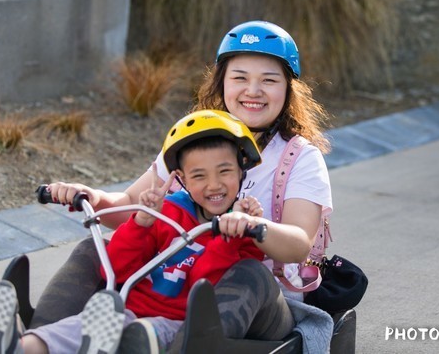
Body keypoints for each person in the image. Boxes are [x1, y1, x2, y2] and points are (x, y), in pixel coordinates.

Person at [36, 20, 334, 350]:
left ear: (288, 89)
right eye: (240, 78)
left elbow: (299, 243)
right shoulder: (195, 143)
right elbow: (131, 207)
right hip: (176, 285)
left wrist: (253, 226)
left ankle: (167, 346)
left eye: (269, 80)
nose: (253, 90)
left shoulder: (299, 157)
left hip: (264, 300)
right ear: (222, 83)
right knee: (94, 250)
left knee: (249, 273)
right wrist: (92, 196)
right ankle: (35, 341)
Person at [0, 110, 268, 354]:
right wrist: (141, 222)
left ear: (242, 171)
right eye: (199, 176)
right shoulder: (166, 212)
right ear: (182, 180)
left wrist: (229, 238)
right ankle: (15, 347)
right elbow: (115, 269)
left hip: (176, 324)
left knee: (143, 335)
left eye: (224, 172)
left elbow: (204, 287)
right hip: (121, 313)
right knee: (72, 329)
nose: (214, 185)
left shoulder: (243, 229)